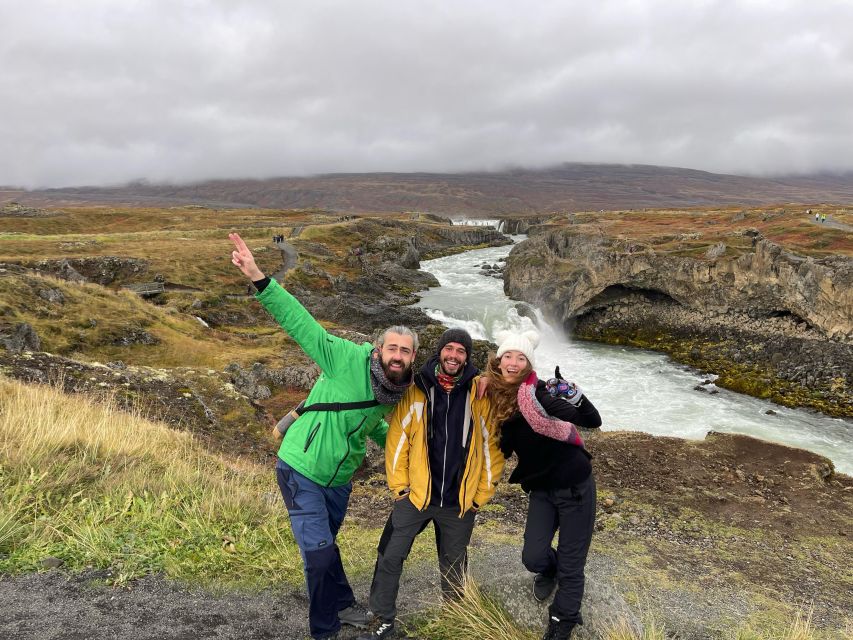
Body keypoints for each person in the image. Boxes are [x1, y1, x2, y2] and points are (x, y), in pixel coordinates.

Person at [229, 232, 418, 640]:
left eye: (406, 351)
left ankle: (344, 603)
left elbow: (378, 427)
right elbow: (301, 323)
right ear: (378, 349)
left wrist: (408, 451)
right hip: (301, 467)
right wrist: (260, 277)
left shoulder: (396, 391)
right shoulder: (344, 358)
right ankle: (324, 630)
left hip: (340, 479)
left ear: (412, 357)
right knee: (317, 555)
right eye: (392, 348)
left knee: (324, 548)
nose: (398, 356)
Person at [358, 328, 504, 639]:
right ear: (439, 353)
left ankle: (456, 620)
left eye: (460, 351)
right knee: (390, 554)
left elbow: (492, 448)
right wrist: (400, 488)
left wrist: (480, 495)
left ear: (467, 357)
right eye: (448, 348)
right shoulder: (418, 388)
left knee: (454, 566)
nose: (454, 355)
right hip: (415, 497)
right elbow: (397, 440)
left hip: (459, 503)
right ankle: (382, 619)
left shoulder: (480, 394)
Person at [486, 330, 602, 640]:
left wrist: (572, 393)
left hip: (575, 485)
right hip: (541, 489)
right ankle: (550, 570)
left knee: (571, 564)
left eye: (520, 358)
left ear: (527, 364)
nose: (513, 363)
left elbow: (592, 421)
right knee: (533, 557)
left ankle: (563, 618)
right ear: (498, 362)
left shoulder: (538, 393)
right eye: (508, 356)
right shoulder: (493, 398)